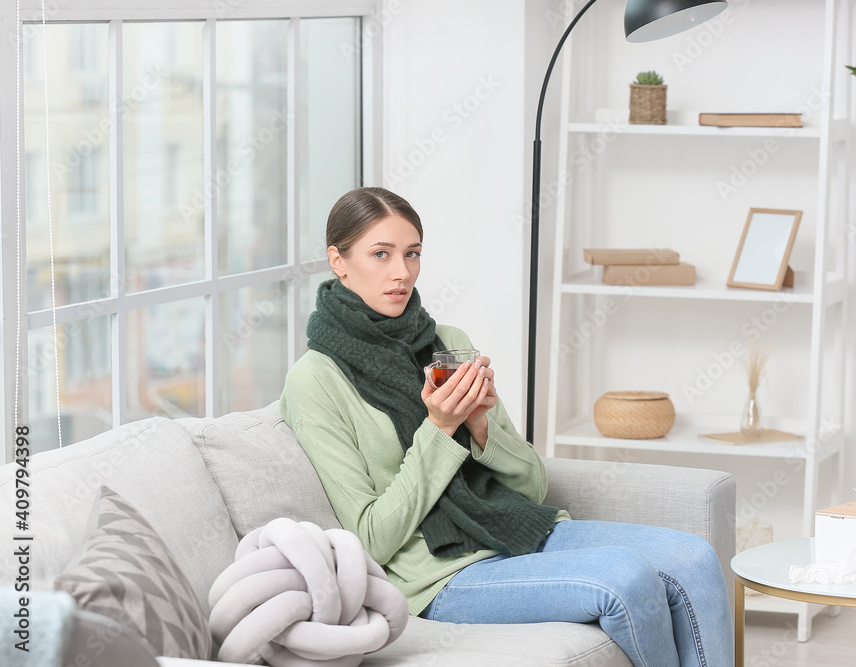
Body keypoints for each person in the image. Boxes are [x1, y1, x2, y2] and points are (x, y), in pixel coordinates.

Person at [279, 186, 734, 667]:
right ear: (339, 260)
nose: (402, 272)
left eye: (412, 253)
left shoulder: (446, 343)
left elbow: (533, 488)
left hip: (515, 531)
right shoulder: (315, 380)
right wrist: (438, 429)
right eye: (380, 254)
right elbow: (372, 538)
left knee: (695, 560)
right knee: (625, 577)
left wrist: (479, 426)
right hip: (438, 576)